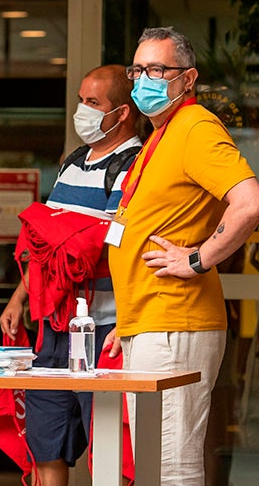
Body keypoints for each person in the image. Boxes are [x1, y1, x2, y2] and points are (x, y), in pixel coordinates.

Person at [108, 26, 259, 485]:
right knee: (155, 461)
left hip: (177, 319)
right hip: (151, 319)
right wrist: (128, 317)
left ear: (188, 78)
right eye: (138, 69)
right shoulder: (161, 134)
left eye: (157, 69)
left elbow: (249, 202)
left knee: (171, 464)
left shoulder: (195, 126)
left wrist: (198, 259)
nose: (142, 80)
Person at [0, 64, 142, 486]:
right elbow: (45, 246)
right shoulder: (71, 163)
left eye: (94, 103)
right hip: (54, 326)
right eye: (81, 100)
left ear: (122, 113)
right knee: (45, 443)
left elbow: (120, 247)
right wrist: (18, 299)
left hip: (105, 327)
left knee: (109, 448)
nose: (84, 111)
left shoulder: (136, 168)